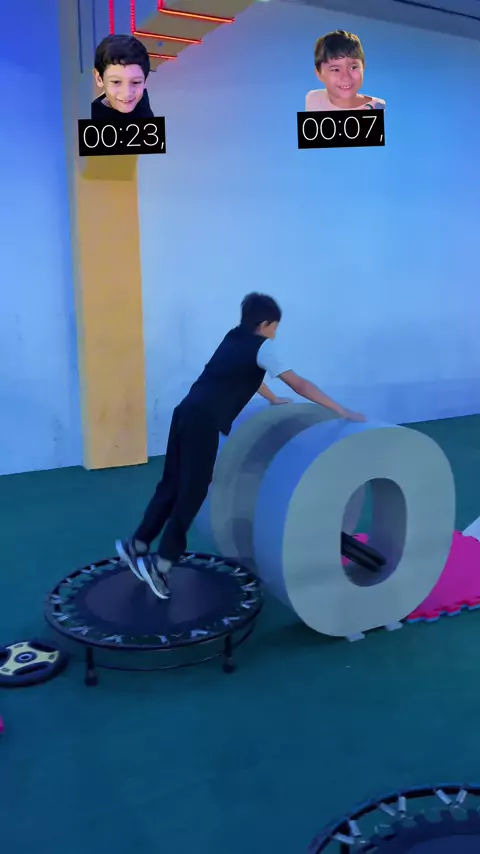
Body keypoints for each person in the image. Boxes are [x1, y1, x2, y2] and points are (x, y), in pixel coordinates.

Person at [116, 293, 365, 600]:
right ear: (265, 323)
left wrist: (272, 398)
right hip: (204, 421)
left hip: (185, 413)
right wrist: (341, 410)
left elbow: (246, 375)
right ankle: (162, 564)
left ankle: (138, 544)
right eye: (275, 327)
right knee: (193, 492)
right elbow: (298, 383)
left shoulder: (233, 338)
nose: (275, 333)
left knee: (171, 483)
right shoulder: (263, 346)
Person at [305, 30, 385, 112]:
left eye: (353, 67)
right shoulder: (313, 98)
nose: (346, 77)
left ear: (363, 66)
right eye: (336, 70)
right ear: (319, 74)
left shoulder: (377, 107)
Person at [91, 34, 154, 121]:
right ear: (99, 78)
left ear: (145, 80)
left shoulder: (142, 99)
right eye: (116, 82)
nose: (127, 94)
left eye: (136, 82)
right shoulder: (92, 117)